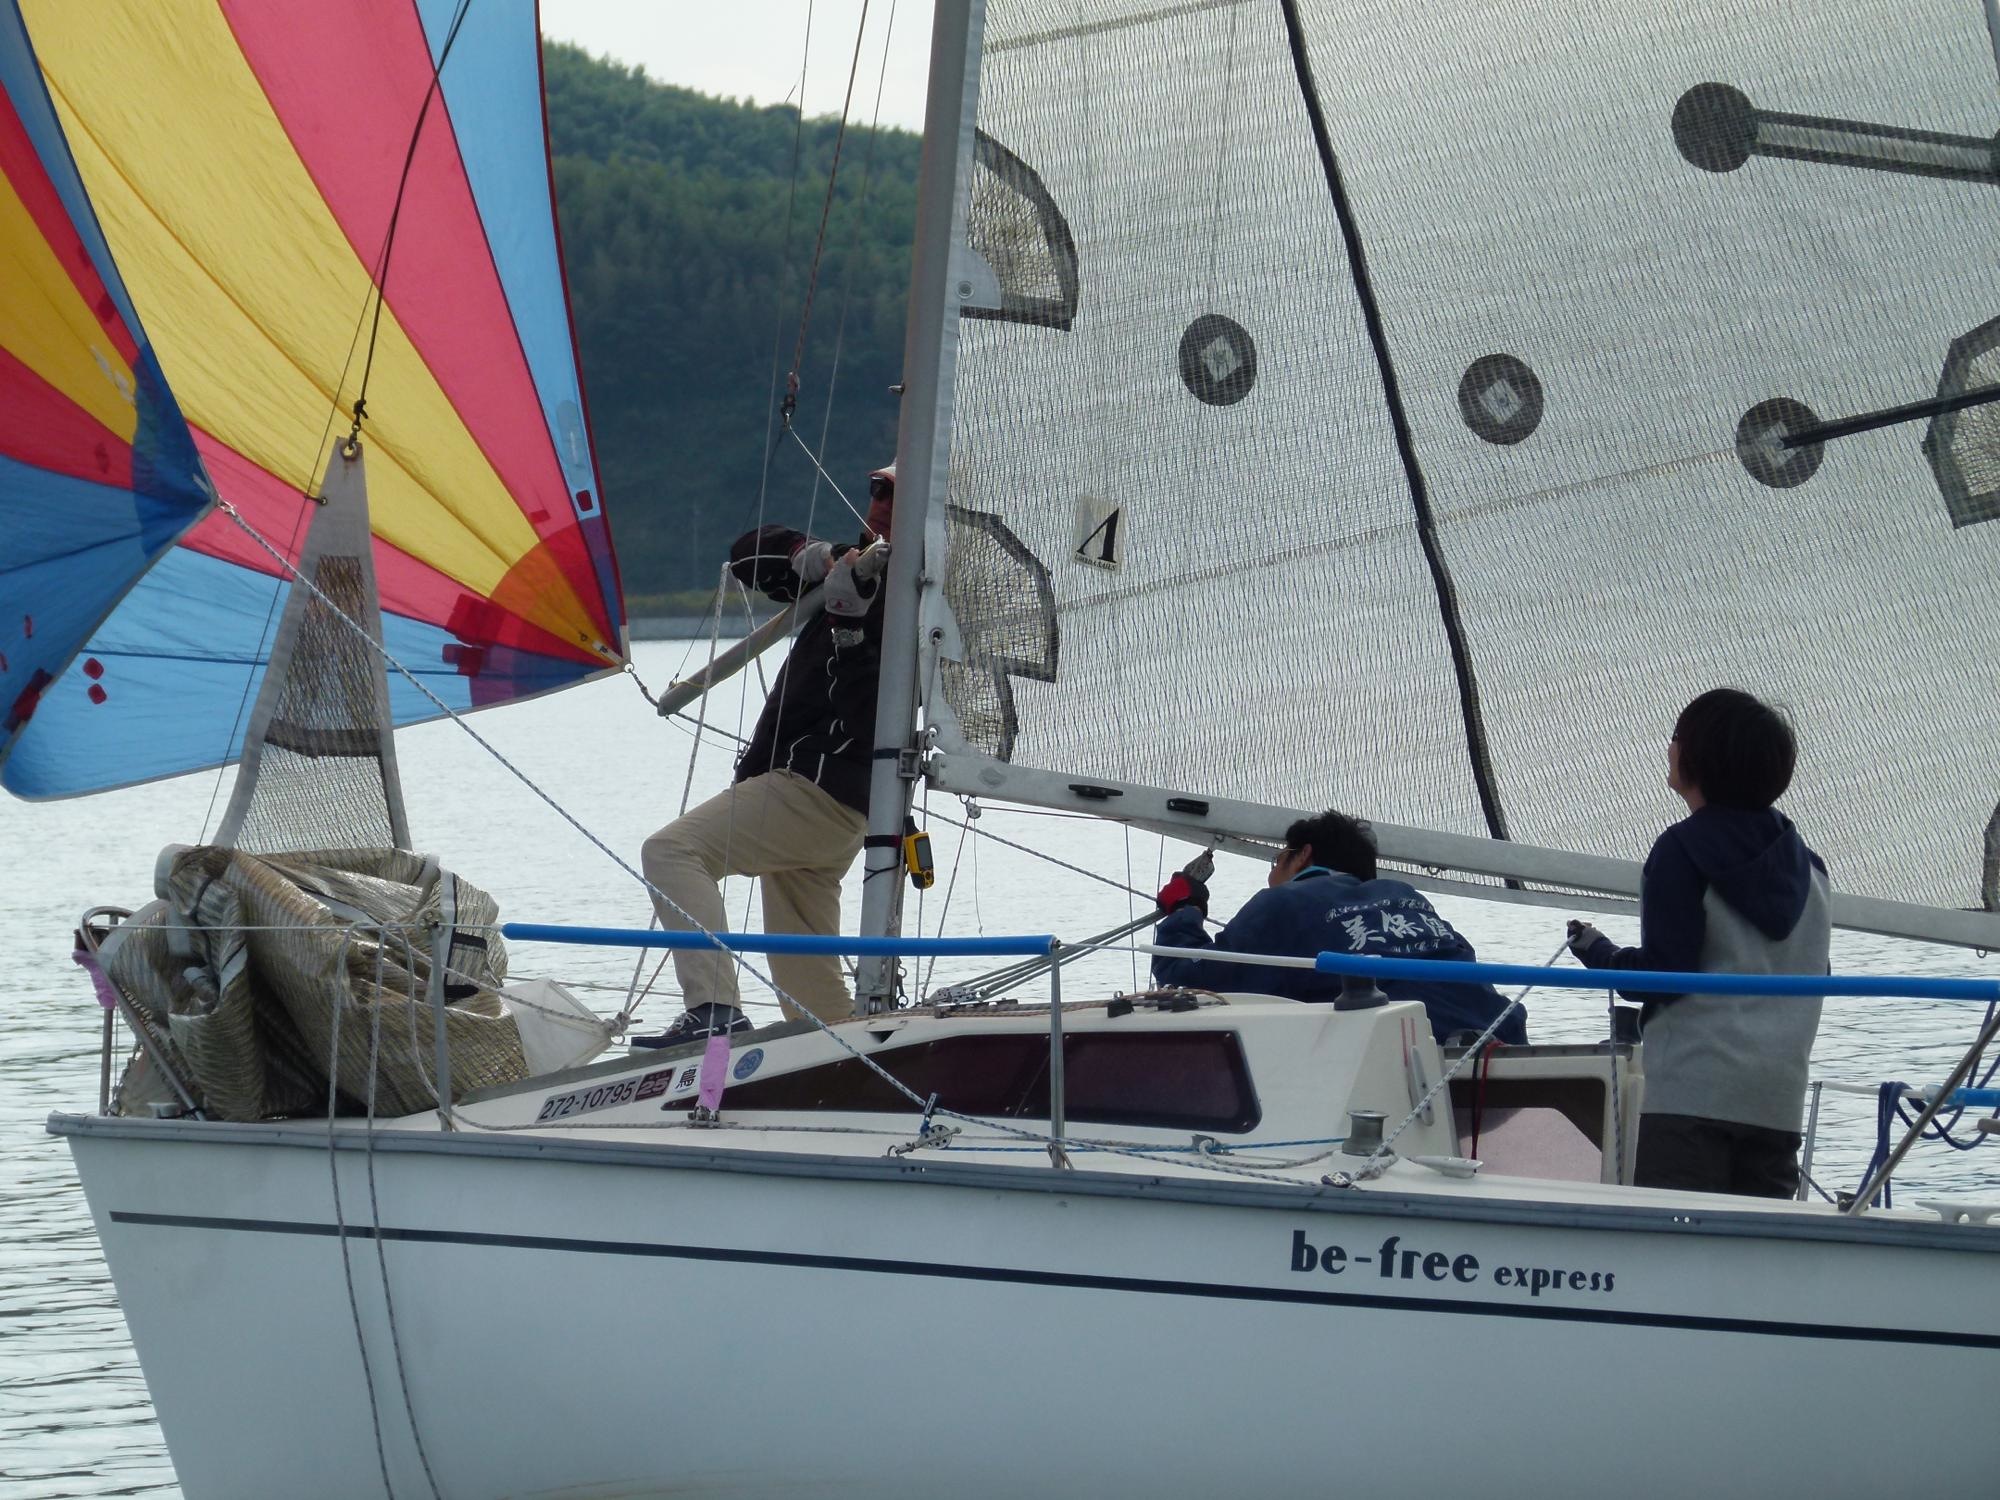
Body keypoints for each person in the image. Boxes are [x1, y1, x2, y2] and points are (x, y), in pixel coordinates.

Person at [635, 464, 896, 1045]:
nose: (881, 500)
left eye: (897, 493)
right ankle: (844, 1054)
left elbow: (870, 713)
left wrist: (850, 625)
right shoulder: (852, 568)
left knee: (672, 852)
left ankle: (714, 1009)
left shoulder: (912, 600)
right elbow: (746, 555)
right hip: (839, 805)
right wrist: (814, 556)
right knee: (804, 968)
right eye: (878, 488)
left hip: (819, 788)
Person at [1565, 687, 1829, 1199]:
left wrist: (1596, 951)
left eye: (1676, 737)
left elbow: (1664, 974)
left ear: (1697, 757)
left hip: (1690, 1098)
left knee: (1675, 1241)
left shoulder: (1680, 850)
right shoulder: (1813, 870)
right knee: (1757, 1244)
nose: (1669, 748)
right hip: (1777, 1102)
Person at [1151, 808, 1526, 1045]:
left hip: (1397, 1062)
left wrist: (1185, 908)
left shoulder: (1285, 902)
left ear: (1304, 855)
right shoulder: (1405, 896)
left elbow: (1187, 975)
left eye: (1277, 859)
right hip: (1500, 1042)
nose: (1271, 872)